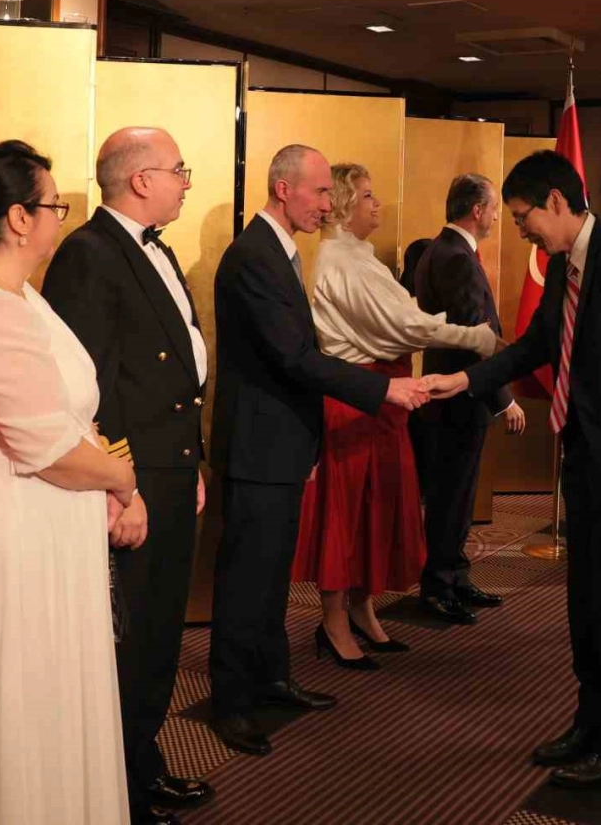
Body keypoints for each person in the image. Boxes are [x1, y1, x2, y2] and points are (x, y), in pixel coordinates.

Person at [424, 150, 601, 792]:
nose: (520, 230)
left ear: (554, 201)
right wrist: (466, 380)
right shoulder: (568, 263)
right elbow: (536, 347)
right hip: (588, 462)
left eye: (523, 217)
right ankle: (589, 725)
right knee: (586, 606)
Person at [0, 140, 135, 825]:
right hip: (12, 528)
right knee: (20, 698)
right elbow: (48, 449)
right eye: (53, 206)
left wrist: (104, 476)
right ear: (18, 218)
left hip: (39, 522)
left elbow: (62, 420)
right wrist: (122, 478)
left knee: (44, 695)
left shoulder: (15, 296)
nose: (59, 218)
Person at [207, 144, 428, 758]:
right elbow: (293, 357)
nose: (329, 205)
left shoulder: (279, 251)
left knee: (271, 576)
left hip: (281, 441)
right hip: (258, 446)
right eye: (321, 191)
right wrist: (382, 389)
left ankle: (271, 679)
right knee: (246, 580)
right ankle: (233, 702)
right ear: (284, 189)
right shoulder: (253, 255)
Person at [42, 128, 212, 825]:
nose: (186, 182)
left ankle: (142, 762)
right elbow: (90, 387)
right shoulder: (89, 254)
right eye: (179, 170)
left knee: (160, 633)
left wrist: (191, 460)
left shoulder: (154, 247)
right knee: (131, 639)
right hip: (131, 475)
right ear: (141, 180)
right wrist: (124, 486)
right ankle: (120, 790)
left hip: (170, 466)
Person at [293, 164, 496, 667]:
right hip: (357, 401)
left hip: (382, 400)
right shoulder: (341, 261)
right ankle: (334, 622)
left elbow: (404, 319)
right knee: (346, 516)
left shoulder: (359, 258)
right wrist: (477, 337)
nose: (377, 203)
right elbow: (403, 326)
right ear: (344, 205)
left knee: (374, 511)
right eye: (366, 195)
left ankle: (361, 609)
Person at [414, 174, 526, 624]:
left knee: (457, 495)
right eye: (495, 207)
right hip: (458, 398)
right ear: (477, 210)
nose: (498, 216)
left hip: (455, 398)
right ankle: (438, 587)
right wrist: (504, 399)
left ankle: (456, 577)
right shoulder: (456, 258)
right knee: (451, 497)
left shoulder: (440, 250)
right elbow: (475, 339)